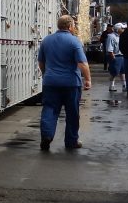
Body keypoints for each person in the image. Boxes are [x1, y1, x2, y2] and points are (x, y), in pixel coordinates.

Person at [37, 14, 91, 151]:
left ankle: (47, 136)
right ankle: (71, 141)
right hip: (71, 84)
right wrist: (88, 80)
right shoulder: (74, 42)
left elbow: (41, 62)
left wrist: (46, 74)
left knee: (49, 109)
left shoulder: (46, 41)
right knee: (72, 113)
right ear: (70, 26)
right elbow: (82, 63)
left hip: (51, 82)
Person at [105, 23, 125, 91]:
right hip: (115, 56)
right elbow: (109, 48)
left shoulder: (121, 36)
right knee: (114, 72)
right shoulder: (111, 36)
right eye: (122, 28)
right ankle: (111, 86)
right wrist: (113, 57)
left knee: (123, 71)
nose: (123, 29)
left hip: (122, 55)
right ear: (118, 29)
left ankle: (124, 85)